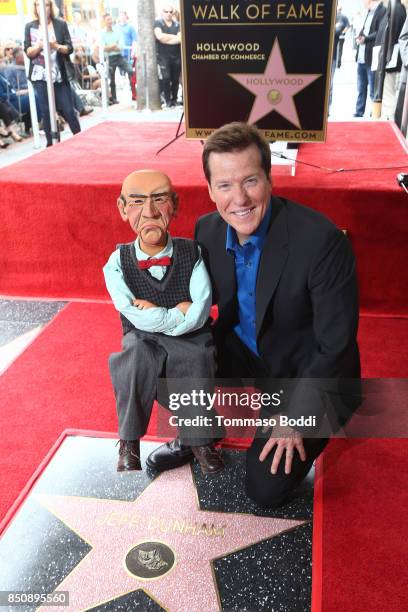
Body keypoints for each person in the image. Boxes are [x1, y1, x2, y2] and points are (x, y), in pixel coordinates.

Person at [148, 123, 361, 509]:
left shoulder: (321, 241)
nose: (240, 198)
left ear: (269, 179)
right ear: (211, 190)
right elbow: (191, 302)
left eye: (250, 180)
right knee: (158, 358)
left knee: (265, 490)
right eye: (225, 185)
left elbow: (336, 345)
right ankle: (197, 433)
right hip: (247, 352)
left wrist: (296, 414)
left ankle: (314, 424)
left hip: (306, 371)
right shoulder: (208, 229)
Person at [103, 169, 224, 477]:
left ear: (175, 204)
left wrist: (162, 314)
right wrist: (174, 313)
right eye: (137, 202)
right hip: (142, 337)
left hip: (191, 335)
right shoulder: (117, 262)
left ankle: (200, 441)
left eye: (159, 199)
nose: (150, 212)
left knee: (197, 358)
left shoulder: (193, 252)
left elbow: (200, 308)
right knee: (133, 359)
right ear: (122, 208)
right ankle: (129, 441)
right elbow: (132, 311)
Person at [24, 0, 80, 146]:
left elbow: (69, 48)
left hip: (59, 74)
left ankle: (80, 138)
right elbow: (28, 51)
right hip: (39, 75)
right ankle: (52, 143)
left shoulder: (60, 24)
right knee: (46, 111)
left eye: (46, 4)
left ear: (51, 7)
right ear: (35, 8)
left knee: (68, 109)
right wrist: (39, 46)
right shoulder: (30, 26)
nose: (42, 7)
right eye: (38, 5)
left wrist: (55, 46)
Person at [374, 0, 406, 120]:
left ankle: (390, 122)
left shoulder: (396, 9)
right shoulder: (396, 8)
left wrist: (386, 59)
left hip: (390, 61)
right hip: (390, 59)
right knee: (388, 93)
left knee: (389, 95)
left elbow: (391, 35)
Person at [354, 0, 386, 117]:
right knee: (361, 88)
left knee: (373, 89)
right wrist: (360, 36)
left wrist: (365, 39)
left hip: (372, 57)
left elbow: (380, 32)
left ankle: (375, 114)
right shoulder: (368, 12)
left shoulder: (382, 11)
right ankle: (358, 112)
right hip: (362, 57)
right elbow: (365, 29)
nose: (362, 2)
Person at [101, 13, 133, 105]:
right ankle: (114, 98)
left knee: (130, 70)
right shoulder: (102, 33)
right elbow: (103, 48)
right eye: (108, 20)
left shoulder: (118, 31)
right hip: (109, 58)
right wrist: (115, 44)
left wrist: (110, 46)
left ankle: (134, 94)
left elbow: (121, 46)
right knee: (112, 79)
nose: (110, 21)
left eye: (111, 19)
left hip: (119, 56)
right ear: (104, 21)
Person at [154, 5, 181, 107]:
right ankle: (167, 100)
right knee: (166, 78)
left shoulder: (177, 24)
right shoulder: (158, 23)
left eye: (170, 12)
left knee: (175, 79)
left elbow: (180, 39)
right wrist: (173, 38)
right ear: (162, 12)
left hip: (176, 55)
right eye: (166, 11)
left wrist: (166, 39)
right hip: (163, 56)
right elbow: (159, 36)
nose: (168, 14)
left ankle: (174, 99)